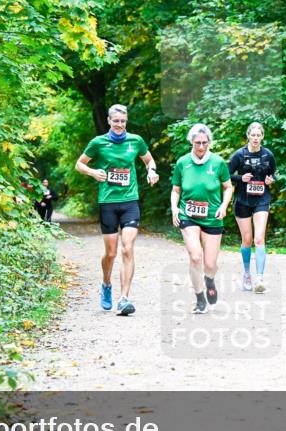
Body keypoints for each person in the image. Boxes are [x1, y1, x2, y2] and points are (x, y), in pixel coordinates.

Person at [75, 104, 159, 315]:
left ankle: (124, 298)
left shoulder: (136, 141)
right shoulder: (99, 142)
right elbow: (79, 164)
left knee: (127, 248)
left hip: (130, 201)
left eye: (123, 121)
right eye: (116, 121)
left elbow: (149, 160)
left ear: (126, 121)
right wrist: (93, 172)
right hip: (108, 202)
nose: (120, 124)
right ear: (109, 120)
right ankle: (106, 285)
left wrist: (152, 171)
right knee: (111, 253)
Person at [170, 123, 233, 314]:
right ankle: (199, 299)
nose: (201, 146)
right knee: (196, 256)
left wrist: (223, 206)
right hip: (188, 215)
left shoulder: (218, 162)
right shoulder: (182, 163)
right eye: (197, 142)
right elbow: (176, 190)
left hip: (212, 216)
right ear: (191, 141)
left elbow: (228, 187)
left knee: (210, 264)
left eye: (205, 142)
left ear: (209, 142)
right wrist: (174, 209)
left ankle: (210, 280)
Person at [229, 122, 276, 293]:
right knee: (247, 240)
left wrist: (271, 180)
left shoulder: (268, 155)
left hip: (262, 199)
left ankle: (260, 278)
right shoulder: (239, 155)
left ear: (262, 136)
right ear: (248, 135)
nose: (255, 138)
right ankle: (247, 274)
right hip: (242, 200)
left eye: (258, 135)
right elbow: (226, 175)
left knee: (259, 238)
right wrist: (241, 178)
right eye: (253, 135)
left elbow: (273, 173)